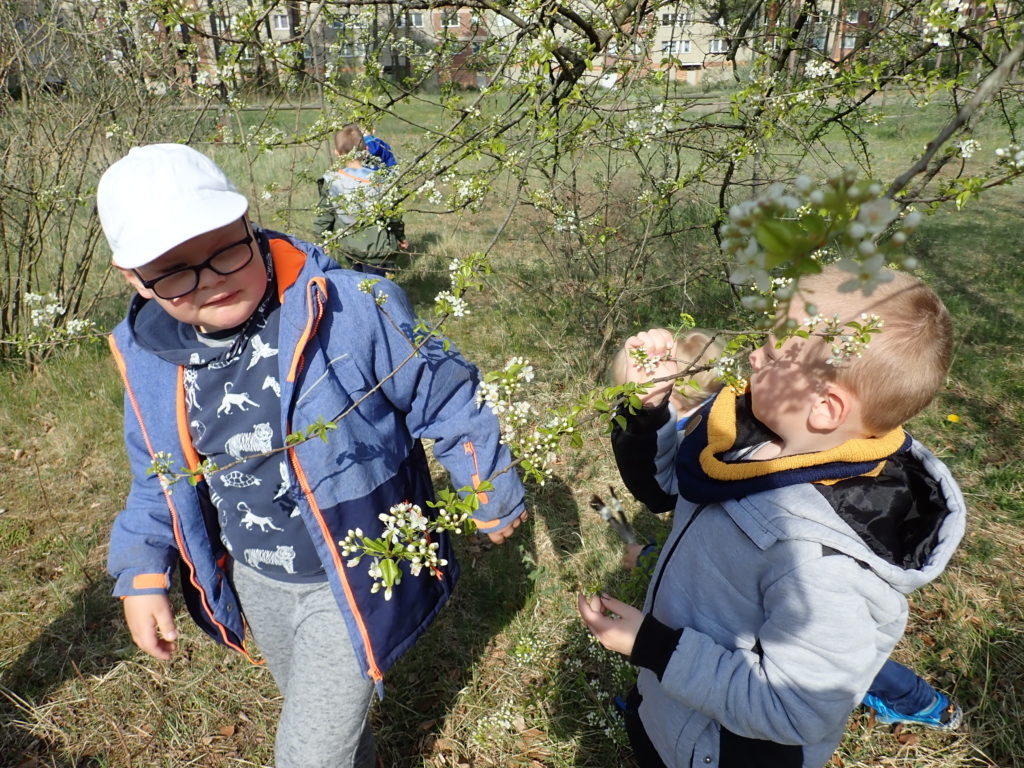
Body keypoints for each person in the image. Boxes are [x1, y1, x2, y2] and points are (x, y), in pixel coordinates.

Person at [98, 143, 528, 768]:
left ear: (248, 222)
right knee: (326, 721)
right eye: (174, 271)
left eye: (225, 250)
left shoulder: (351, 306)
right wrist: (141, 569)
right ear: (133, 277)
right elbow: (156, 480)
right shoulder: (148, 360)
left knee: (309, 753)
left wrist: (488, 482)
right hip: (257, 576)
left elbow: (445, 393)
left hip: (355, 567)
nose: (210, 278)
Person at [578, 263, 966, 768]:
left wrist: (655, 648)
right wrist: (646, 409)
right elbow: (664, 486)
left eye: (773, 351)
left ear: (824, 408)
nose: (753, 355)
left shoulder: (823, 563)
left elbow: (794, 711)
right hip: (673, 705)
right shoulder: (749, 429)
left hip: (724, 750)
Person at [314, 124, 408, 275]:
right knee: (378, 284)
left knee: (359, 281)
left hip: (350, 248)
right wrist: (401, 236)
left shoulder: (332, 181)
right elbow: (393, 215)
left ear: (337, 154)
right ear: (366, 150)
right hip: (379, 249)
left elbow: (325, 216)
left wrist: (322, 242)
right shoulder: (381, 181)